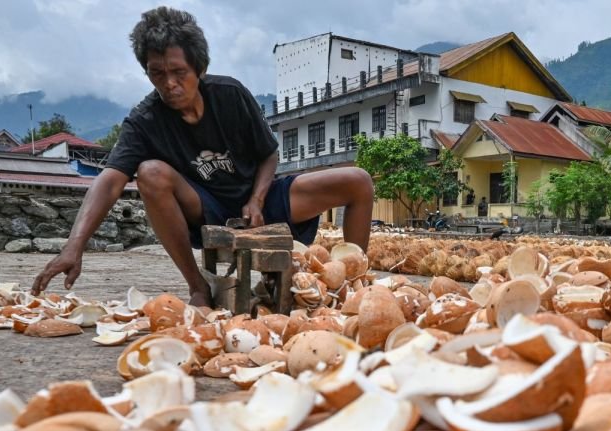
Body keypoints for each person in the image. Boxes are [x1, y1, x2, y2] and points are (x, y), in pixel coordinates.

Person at [32, 6, 374, 307]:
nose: (169, 84)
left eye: (179, 72)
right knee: (150, 172)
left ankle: (354, 284)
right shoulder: (145, 120)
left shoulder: (230, 94)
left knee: (358, 182)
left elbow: (269, 153)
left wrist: (256, 199)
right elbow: (109, 181)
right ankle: (198, 286)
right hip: (206, 209)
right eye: (157, 74)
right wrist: (74, 245)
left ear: (200, 68)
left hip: (259, 201)